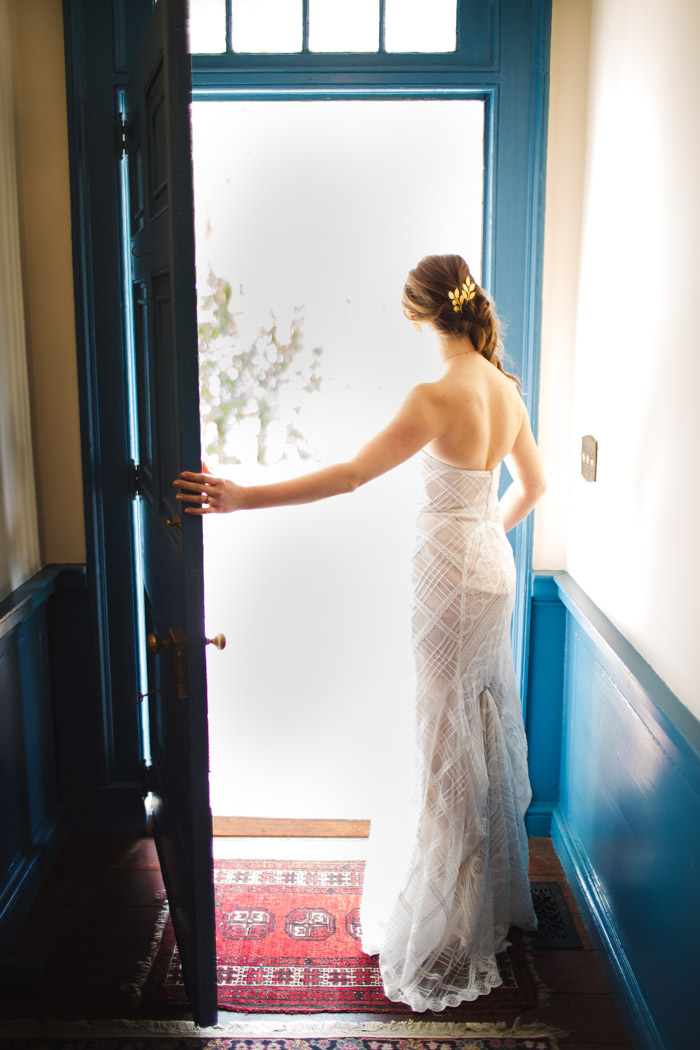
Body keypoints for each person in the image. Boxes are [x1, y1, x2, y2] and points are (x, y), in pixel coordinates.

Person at [174, 253, 546, 1012]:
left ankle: (448, 926)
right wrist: (484, 540)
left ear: (418, 314)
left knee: (443, 743)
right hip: (491, 573)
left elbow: (348, 475)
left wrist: (243, 498)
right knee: (476, 728)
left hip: (447, 585)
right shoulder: (505, 389)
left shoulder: (435, 393)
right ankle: (478, 902)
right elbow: (534, 487)